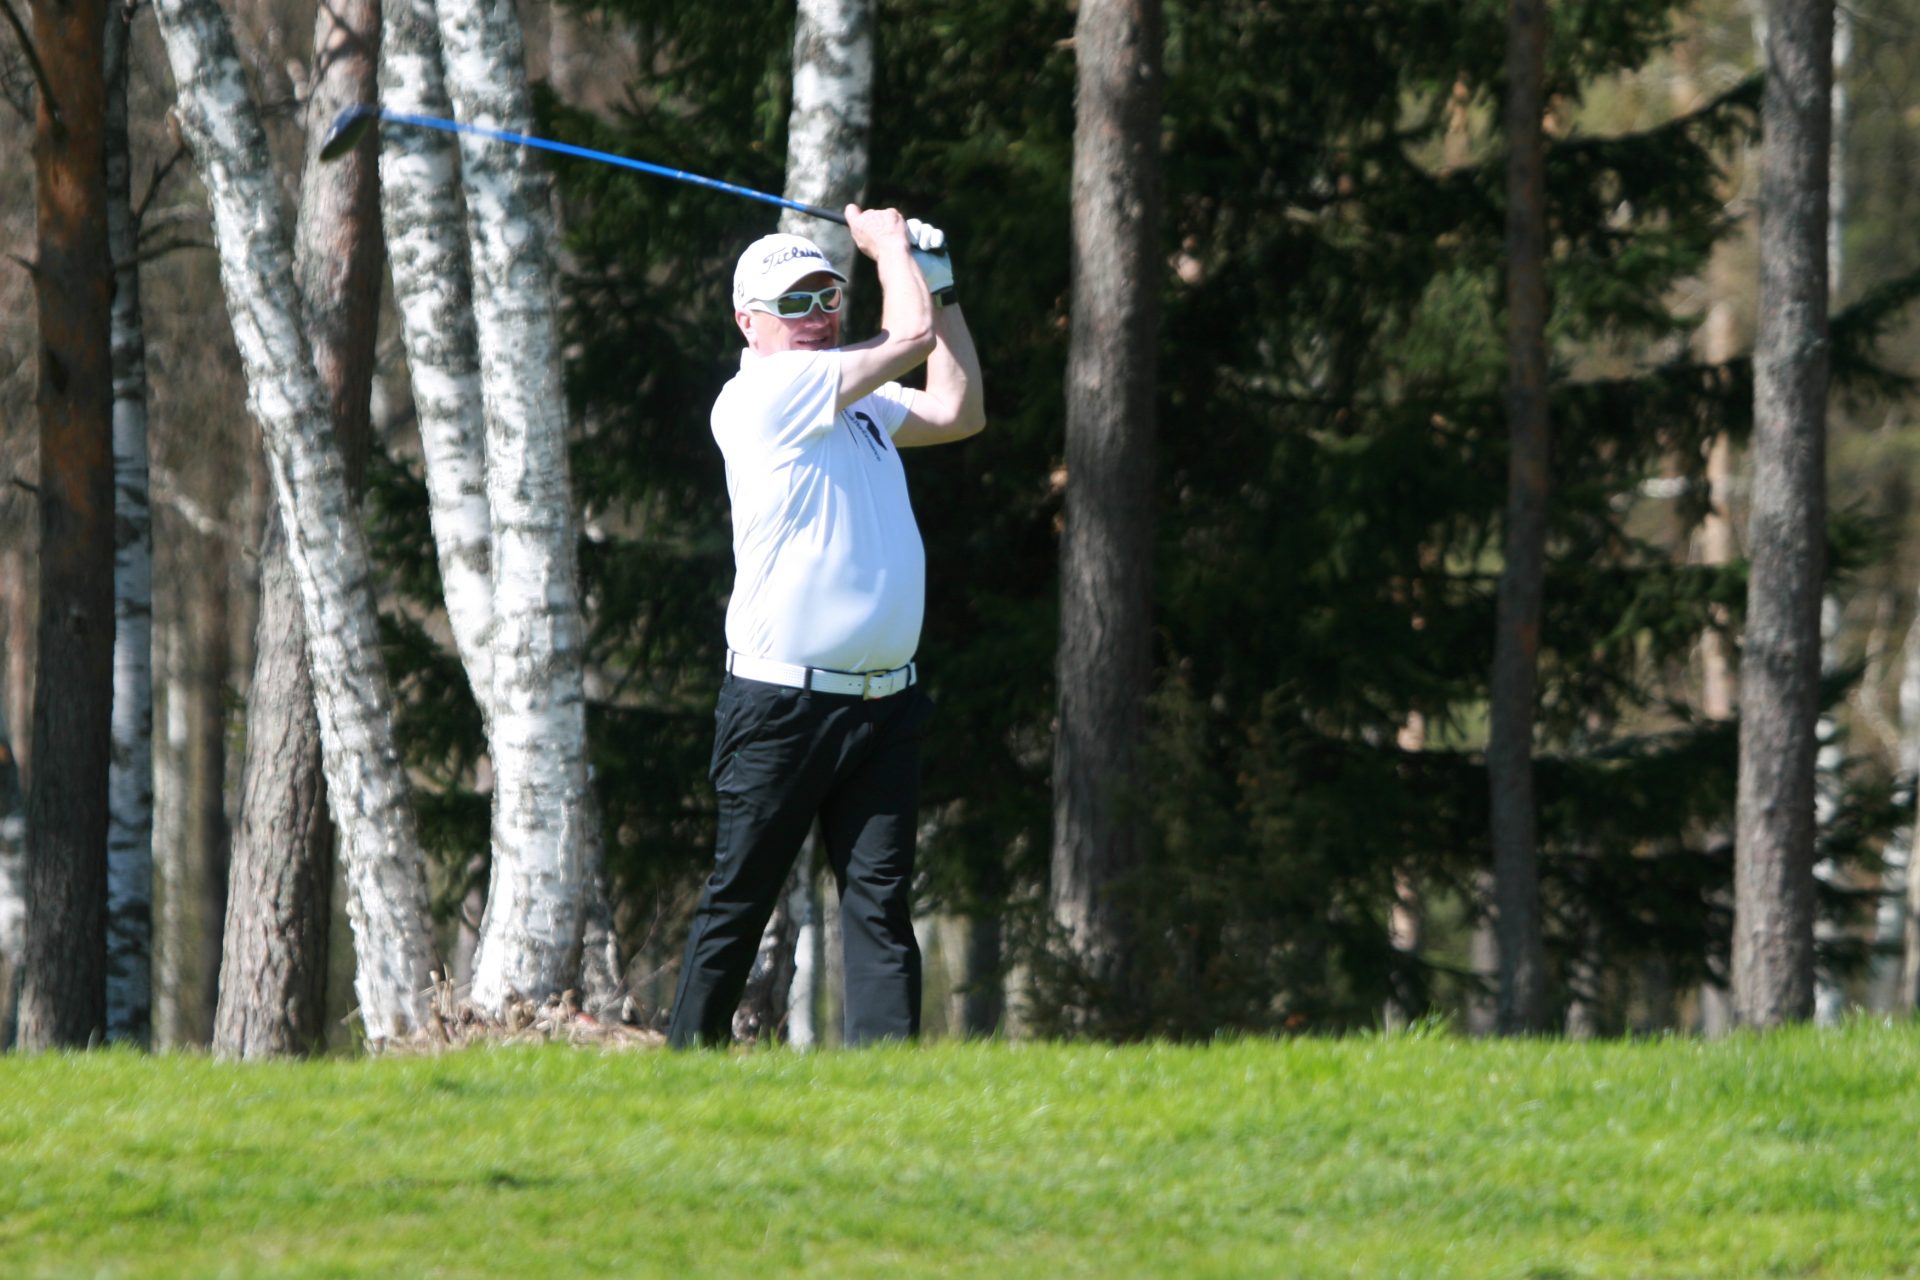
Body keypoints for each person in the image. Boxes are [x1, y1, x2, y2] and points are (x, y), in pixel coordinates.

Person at [666, 206, 986, 1048]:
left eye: (827, 298)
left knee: (880, 904)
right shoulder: (762, 395)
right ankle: (686, 1061)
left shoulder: (861, 403)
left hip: (885, 705)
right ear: (749, 322)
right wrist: (888, 251)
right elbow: (908, 337)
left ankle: (885, 1084)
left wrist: (941, 287)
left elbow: (958, 410)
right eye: (795, 304)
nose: (817, 316)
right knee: (740, 897)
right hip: (782, 705)